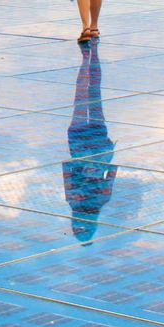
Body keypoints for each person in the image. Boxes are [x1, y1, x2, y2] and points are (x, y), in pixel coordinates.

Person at [62, 39, 117, 243]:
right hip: (78, 145)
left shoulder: (102, 199)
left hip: (99, 145)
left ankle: (93, 55)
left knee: (95, 92)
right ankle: (87, 58)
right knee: (81, 95)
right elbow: (67, 168)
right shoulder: (72, 199)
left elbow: (112, 171)